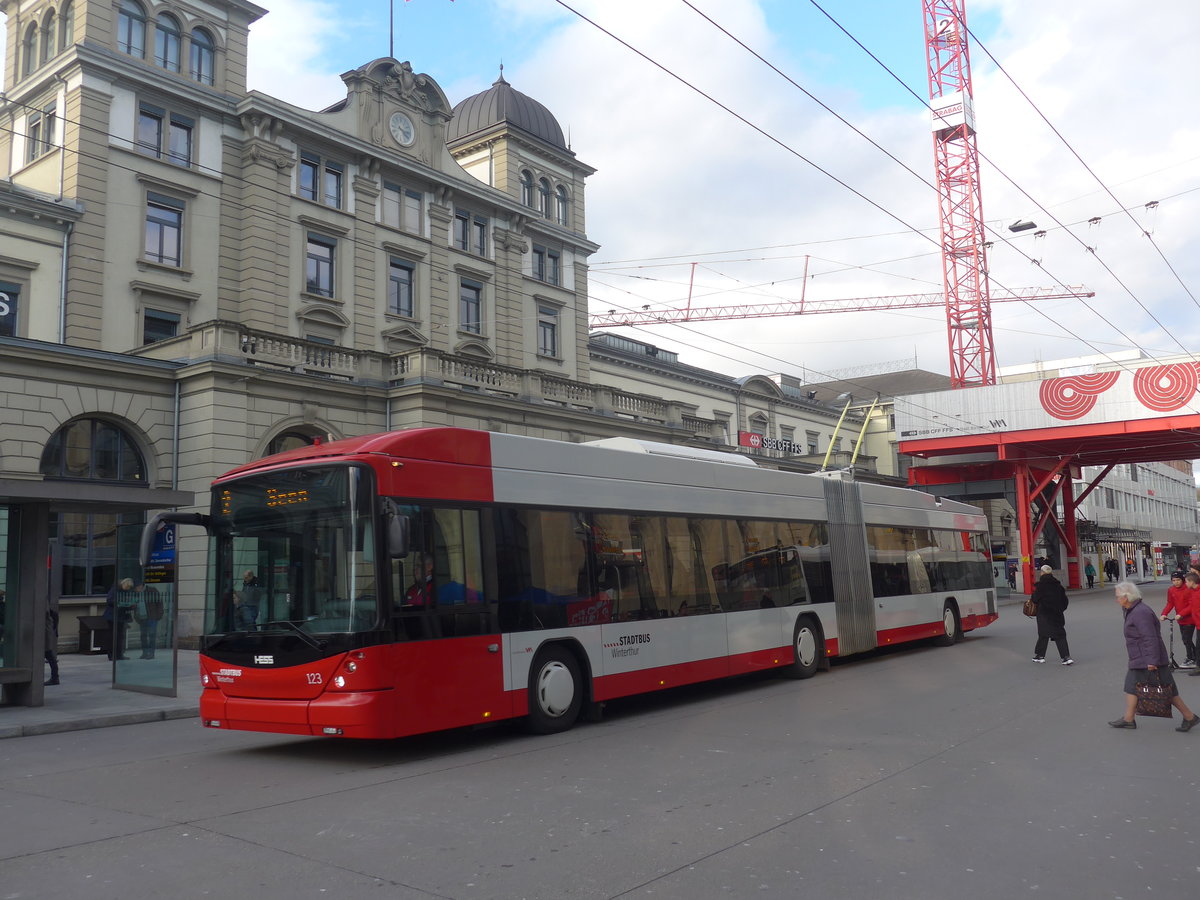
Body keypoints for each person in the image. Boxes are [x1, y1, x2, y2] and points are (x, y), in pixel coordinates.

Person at [1110, 581, 1200, 731]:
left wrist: (1152, 661)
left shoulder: (1140, 612)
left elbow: (1150, 637)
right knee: (1131, 686)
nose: (1116, 599)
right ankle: (1128, 718)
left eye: (1118, 596)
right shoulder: (1133, 610)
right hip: (1140, 657)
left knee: (1166, 690)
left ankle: (1189, 716)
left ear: (1127, 597)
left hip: (1148, 659)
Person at [1030, 564, 1073, 665]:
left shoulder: (1041, 586)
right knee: (1060, 635)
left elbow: (1035, 599)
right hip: (1057, 614)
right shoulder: (1058, 586)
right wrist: (1059, 609)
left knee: (1043, 635)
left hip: (1044, 614)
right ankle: (1066, 657)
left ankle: (1040, 656)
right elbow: (1065, 602)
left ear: (1042, 573)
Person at [1161, 572, 1196, 669]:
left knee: (1187, 639)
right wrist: (1164, 614)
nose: (1176, 582)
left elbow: (1191, 605)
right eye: (1173, 580)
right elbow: (1170, 603)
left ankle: (1191, 658)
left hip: (1190, 618)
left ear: (1183, 580)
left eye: (1178, 580)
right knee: (1185, 639)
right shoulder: (1171, 590)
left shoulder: (1188, 589)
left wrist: (1182, 613)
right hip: (1180, 619)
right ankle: (1194, 656)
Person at [104, 577, 135, 660]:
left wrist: (130, 605)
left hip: (121, 616)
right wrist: (121, 603)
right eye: (127, 587)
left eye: (129, 587)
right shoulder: (114, 590)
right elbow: (109, 601)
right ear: (124, 584)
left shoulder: (126, 591)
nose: (128, 589)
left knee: (120, 636)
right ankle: (112, 655)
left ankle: (119, 654)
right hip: (113, 616)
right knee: (113, 636)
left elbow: (129, 601)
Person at [135, 585, 164, 659]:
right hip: (142, 618)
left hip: (152, 617)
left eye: (136, 587)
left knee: (151, 636)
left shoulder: (152, 590)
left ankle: (151, 653)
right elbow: (135, 606)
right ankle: (145, 653)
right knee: (143, 636)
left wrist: (158, 615)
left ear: (141, 586)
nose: (136, 589)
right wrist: (136, 617)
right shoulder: (136, 593)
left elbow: (159, 603)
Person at [44, 605, 60, 686]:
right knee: (48, 654)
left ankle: (55, 677)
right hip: (45, 629)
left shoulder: (43, 600)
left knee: (48, 653)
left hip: (45, 630)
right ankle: (55, 677)